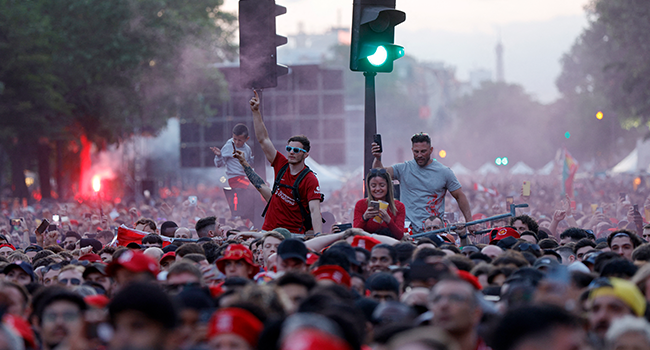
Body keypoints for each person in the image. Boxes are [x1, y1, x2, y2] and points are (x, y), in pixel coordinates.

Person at [250, 90, 324, 235]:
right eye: (289, 148)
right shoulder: (281, 164)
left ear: (306, 154)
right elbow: (263, 140)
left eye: (296, 150)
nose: (291, 152)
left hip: (293, 235)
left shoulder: (310, 179)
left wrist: (318, 236)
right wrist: (256, 112)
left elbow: (315, 210)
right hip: (268, 231)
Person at [372, 132, 472, 233]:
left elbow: (459, 196)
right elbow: (378, 174)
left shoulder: (444, 172)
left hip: (434, 229)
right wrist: (377, 158)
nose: (419, 155)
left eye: (423, 151)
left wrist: (470, 222)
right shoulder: (404, 168)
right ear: (412, 150)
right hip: (408, 231)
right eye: (416, 152)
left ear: (431, 150)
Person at [353, 169, 405, 239]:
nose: (377, 189)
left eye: (382, 185)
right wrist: (364, 218)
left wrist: (388, 220)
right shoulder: (361, 204)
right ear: (369, 187)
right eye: (373, 186)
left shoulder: (399, 206)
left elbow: (399, 236)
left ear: (388, 186)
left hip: (390, 245)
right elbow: (354, 234)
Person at [211, 123, 254, 189]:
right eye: (235, 139)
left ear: (247, 139)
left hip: (245, 177)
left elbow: (249, 163)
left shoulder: (247, 149)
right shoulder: (229, 146)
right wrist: (219, 156)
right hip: (235, 178)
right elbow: (218, 165)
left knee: (263, 185)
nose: (236, 142)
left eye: (240, 140)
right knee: (256, 187)